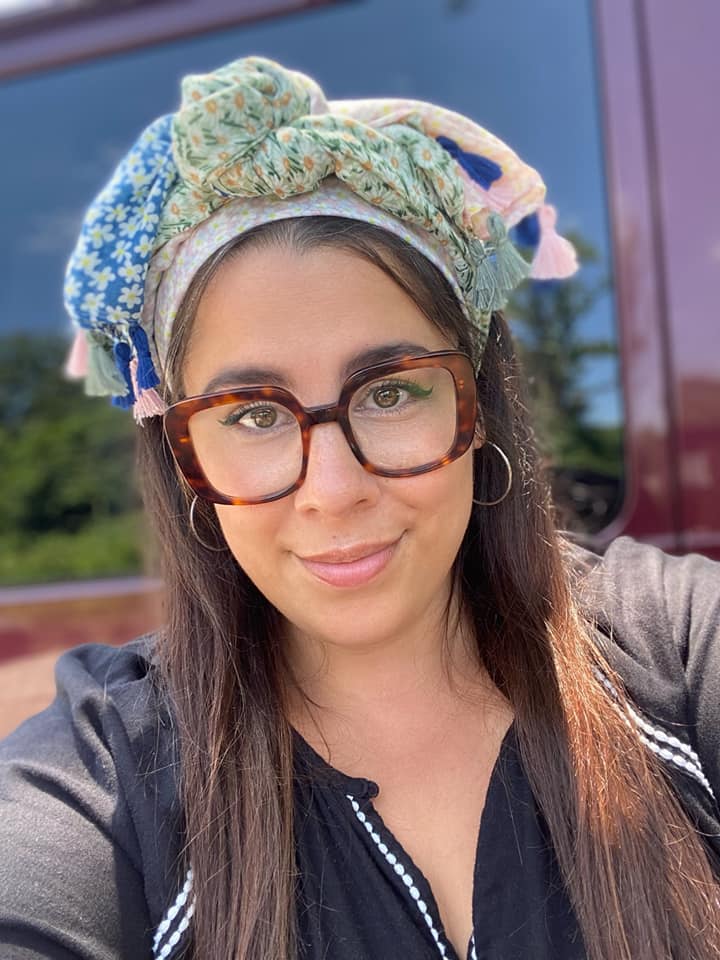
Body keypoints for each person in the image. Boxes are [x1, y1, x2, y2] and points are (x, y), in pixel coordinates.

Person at [1, 55, 719, 960]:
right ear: (186, 457)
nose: (334, 490)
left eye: (389, 392)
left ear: (476, 405)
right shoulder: (103, 774)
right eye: (253, 414)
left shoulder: (675, 654)